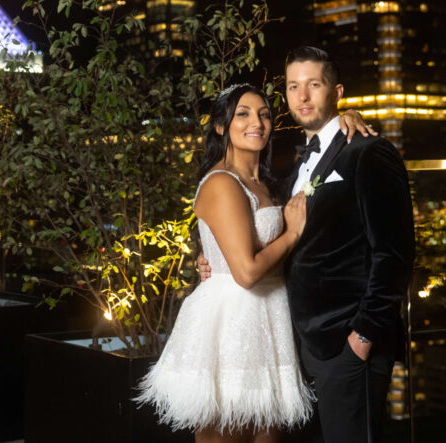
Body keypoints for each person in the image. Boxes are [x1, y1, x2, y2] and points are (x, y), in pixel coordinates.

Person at [136, 84, 374, 443]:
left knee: (266, 434)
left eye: (263, 114)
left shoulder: (269, 182)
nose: (257, 122)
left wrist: (346, 119)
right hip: (233, 322)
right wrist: (292, 234)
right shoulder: (222, 182)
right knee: (228, 432)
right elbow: (245, 272)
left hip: (271, 317)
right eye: (243, 113)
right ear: (220, 126)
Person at [202, 47, 414, 443]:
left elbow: (395, 254)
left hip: (348, 345)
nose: (302, 97)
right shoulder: (295, 167)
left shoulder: (369, 152)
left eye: (313, 85)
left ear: (336, 91)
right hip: (295, 344)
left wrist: (362, 337)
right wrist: (215, 257)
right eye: (293, 86)